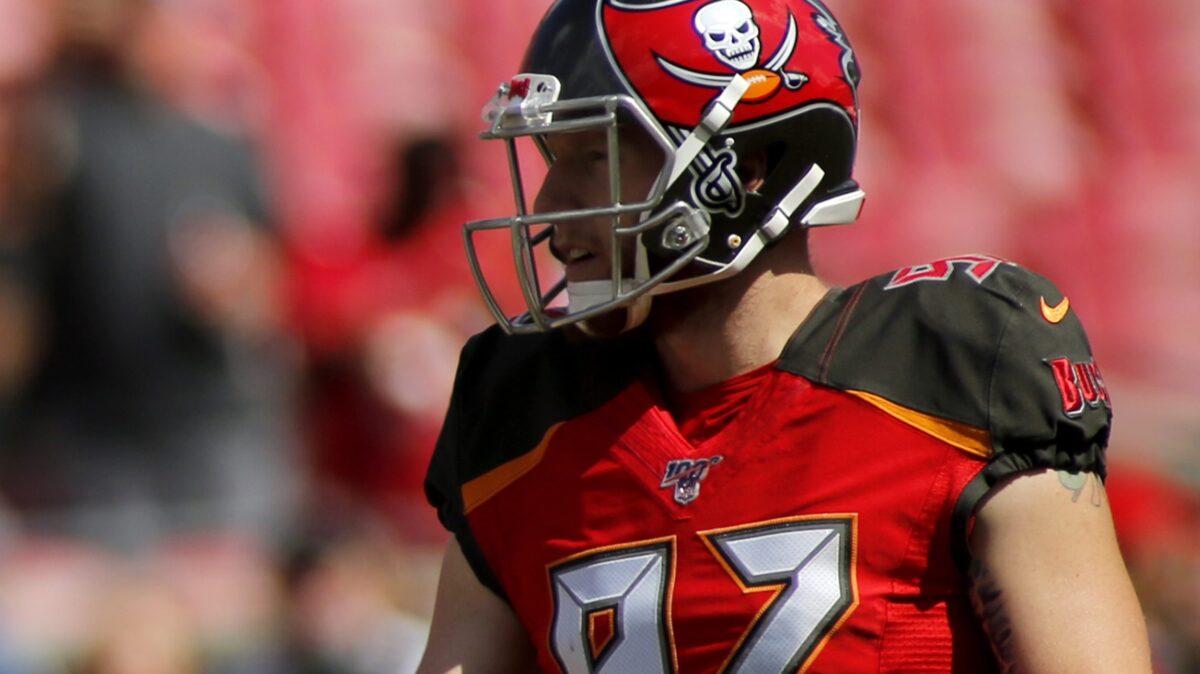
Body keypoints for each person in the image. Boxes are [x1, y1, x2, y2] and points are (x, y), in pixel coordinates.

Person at [419, 0, 1151, 672]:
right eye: (554, 159)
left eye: (595, 157)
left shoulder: (947, 367)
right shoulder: (524, 415)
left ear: (745, 166)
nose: (553, 206)